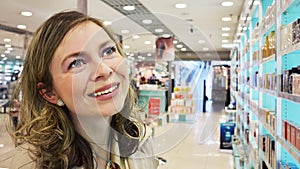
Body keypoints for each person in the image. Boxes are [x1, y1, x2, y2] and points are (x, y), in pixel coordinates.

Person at [0, 11, 158, 169]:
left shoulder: (140, 141)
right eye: (76, 63)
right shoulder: (31, 164)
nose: (104, 70)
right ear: (49, 93)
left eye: (108, 51)